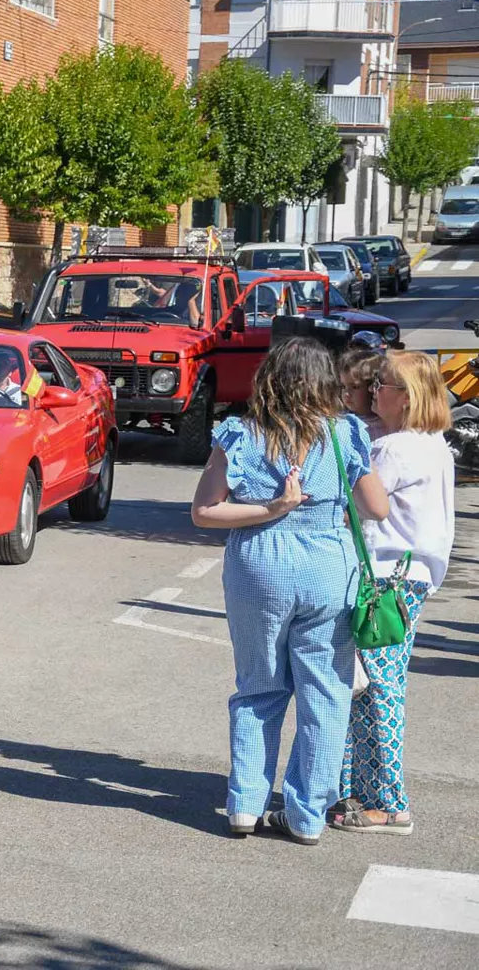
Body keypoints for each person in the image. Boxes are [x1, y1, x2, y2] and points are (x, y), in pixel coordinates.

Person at [191, 337, 389, 845]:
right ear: (325, 382)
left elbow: (206, 512)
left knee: (258, 687)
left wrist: (273, 509)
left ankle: (244, 807)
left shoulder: (240, 433)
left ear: (268, 380)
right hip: (328, 567)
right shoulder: (345, 434)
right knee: (325, 693)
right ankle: (305, 816)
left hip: (259, 564)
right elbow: (378, 509)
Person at [332, 352, 455, 836]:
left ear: (405, 396)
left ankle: (389, 801)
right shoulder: (429, 442)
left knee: (375, 688)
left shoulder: (396, 449)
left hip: (386, 578)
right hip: (411, 578)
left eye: (379, 383)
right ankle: (364, 790)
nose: (370, 390)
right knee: (375, 685)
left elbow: (356, 505)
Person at [338, 347, 384, 439]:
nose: (346, 393)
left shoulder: (385, 423)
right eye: (343, 387)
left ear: (372, 387)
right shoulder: (341, 421)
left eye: (355, 387)